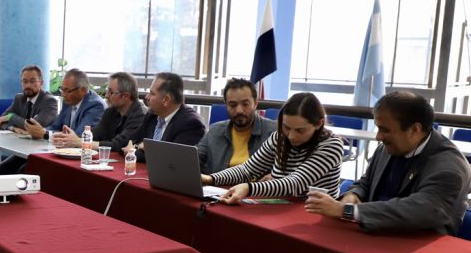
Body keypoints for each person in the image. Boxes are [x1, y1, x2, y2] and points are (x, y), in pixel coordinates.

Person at [306, 91, 471, 235]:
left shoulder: (450, 167)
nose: (378, 137)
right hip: (376, 235)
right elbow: (365, 182)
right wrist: (353, 195)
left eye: (385, 130)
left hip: (418, 246)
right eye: (378, 128)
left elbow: (421, 210)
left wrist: (347, 210)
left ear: (415, 129)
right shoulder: (389, 147)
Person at [202, 92, 344, 204]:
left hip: (314, 215)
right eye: (286, 127)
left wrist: (249, 188)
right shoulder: (279, 137)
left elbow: (295, 183)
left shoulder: (331, 146)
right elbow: (248, 170)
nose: (291, 136)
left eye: (300, 130)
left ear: (319, 124)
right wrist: (211, 179)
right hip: (281, 206)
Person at [0, 68, 105, 175]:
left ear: (83, 90)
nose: (63, 94)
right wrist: (41, 132)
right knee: (3, 168)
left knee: (23, 171)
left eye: (67, 90)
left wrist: (44, 134)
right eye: (62, 89)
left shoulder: (95, 106)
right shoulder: (68, 101)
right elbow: (55, 126)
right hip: (59, 151)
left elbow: (77, 138)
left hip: (79, 158)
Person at [196, 78, 277, 174]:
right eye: (233, 105)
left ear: (255, 103)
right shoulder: (214, 131)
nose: (239, 110)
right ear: (226, 105)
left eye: (245, 104)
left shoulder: (274, 132)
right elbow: (194, 160)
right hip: (218, 183)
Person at [51, 72, 145, 152]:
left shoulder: (140, 115)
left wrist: (80, 142)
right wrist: (73, 139)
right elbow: (96, 135)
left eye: (110, 92)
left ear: (126, 96)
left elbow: (119, 145)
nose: (106, 96)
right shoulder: (111, 112)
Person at [124, 72, 206, 162]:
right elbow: (129, 142)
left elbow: (172, 160)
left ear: (166, 99)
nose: (147, 97)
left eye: (152, 93)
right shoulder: (152, 115)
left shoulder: (191, 124)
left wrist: (136, 152)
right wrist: (141, 149)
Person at [0, 64, 57, 132]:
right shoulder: (19, 98)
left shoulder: (50, 101)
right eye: (25, 81)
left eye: (32, 81)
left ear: (41, 83)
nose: (28, 85)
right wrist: (12, 128)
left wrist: (11, 117)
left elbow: (34, 126)